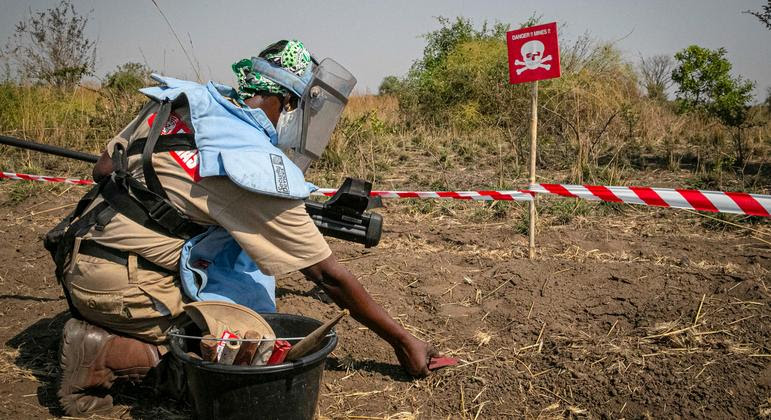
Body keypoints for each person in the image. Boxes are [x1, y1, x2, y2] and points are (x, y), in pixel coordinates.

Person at [53, 40, 437, 417]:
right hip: (121, 286)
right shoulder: (251, 164)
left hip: (78, 255)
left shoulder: (183, 102)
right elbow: (328, 275)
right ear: (288, 105)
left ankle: (119, 323)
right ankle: (107, 354)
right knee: (250, 361)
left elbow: (103, 170)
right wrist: (402, 340)